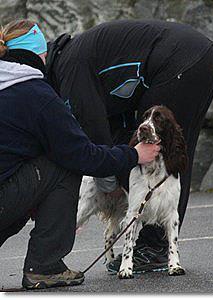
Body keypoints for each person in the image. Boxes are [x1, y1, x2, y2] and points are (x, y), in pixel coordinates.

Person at [16, 19, 213, 274]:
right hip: (196, 56)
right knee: (164, 151)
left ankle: (153, 247)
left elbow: (94, 130)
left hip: (180, 61)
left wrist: (109, 185)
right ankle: (154, 245)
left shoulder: (70, 69)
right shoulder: (72, 60)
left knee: (165, 153)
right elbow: (116, 128)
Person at [0, 20, 160, 289]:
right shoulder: (36, 94)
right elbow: (81, 155)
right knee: (62, 163)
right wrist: (134, 155)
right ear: (38, 56)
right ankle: (45, 266)